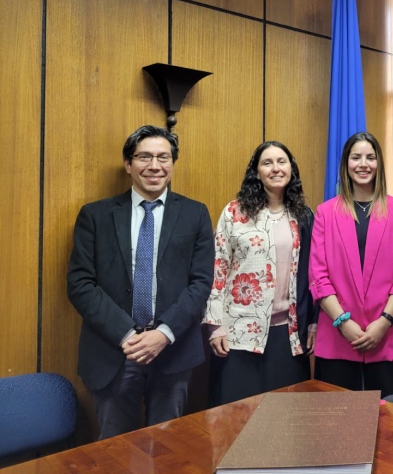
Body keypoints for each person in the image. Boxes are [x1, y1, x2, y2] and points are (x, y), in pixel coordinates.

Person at [67, 125, 214, 439]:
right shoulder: (95, 216)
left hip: (172, 354)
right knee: (113, 452)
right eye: (144, 157)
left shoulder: (195, 214)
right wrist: (126, 335)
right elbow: (81, 283)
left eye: (163, 157)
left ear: (172, 164)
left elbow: (201, 283)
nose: (154, 166)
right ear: (128, 164)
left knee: (167, 451)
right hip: (115, 353)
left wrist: (163, 333)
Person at [204, 141, 315, 406]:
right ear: (256, 172)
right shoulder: (234, 212)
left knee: (286, 419)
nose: (275, 168)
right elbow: (218, 268)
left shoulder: (303, 215)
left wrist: (314, 322)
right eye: (267, 163)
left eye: (282, 161)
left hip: (288, 334)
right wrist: (215, 325)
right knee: (236, 417)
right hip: (239, 332)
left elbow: (312, 274)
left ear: (291, 168)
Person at [309, 132, 393, 398]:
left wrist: (383, 323)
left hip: (385, 337)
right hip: (338, 337)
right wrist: (344, 323)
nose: (363, 164)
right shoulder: (325, 212)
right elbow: (319, 278)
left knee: (387, 423)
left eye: (370, 157)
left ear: (379, 163)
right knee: (338, 425)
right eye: (356, 157)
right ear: (346, 164)